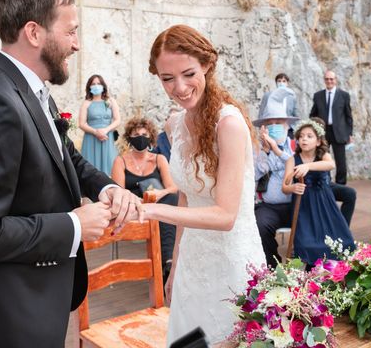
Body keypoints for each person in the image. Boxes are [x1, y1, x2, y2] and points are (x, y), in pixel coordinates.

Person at [0, 0, 139, 348]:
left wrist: (108, 187)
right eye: (70, 31)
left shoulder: (30, 89)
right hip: (6, 321)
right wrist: (73, 225)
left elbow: (66, 156)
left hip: (38, 305)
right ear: (34, 33)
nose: (77, 44)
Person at [142, 24, 265, 346]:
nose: (179, 87)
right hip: (192, 260)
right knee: (187, 341)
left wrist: (152, 210)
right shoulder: (174, 124)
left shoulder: (229, 124)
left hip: (231, 260)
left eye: (188, 73)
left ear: (207, 66)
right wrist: (177, 263)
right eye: (167, 79)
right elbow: (187, 197)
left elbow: (225, 216)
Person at [111, 116, 179, 281]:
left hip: (159, 202)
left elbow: (172, 187)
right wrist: (142, 200)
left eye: (144, 134)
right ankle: (167, 262)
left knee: (170, 198)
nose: (140, 137)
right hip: (135, 206)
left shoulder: (158, 159)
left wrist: (158, 193)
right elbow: (118, 191)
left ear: (150, 137)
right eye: (136, 134)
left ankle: (167, 262)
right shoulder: (121, 161)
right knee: (165, 209)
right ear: (129, 137)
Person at [282, 118, 355, 265]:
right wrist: (293, 188)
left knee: (340, 241)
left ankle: (337, 272)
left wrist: (308, 166)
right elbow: (284, 187)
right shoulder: (292, 160)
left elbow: (330, 165)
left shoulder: (323, 156)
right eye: (301, 136)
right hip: (304, 204)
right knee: (307, 244)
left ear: (318, 141)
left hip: (324, 201)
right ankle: (310, 270)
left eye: (309, 136)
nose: (304, 139)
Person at [252, 88, 298, 268]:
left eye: (279, 122)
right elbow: (254, 176)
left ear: (287, 125)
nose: (275, 126)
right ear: (263, 128)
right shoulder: (256, 150)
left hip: (295, 203)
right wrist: (265, 150)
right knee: (260, 224)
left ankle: (303, 265)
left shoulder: (296, 146)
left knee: (311, 219)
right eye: (270, 123)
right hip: (269, 206)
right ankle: (273, 266)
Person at [310, 70, 353, 185]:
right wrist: (314, 130)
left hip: (339, 132)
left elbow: (348, 116)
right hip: (323, 132)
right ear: (324, 80)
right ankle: (325, 182)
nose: (329, 81)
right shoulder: (318, 96)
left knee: (341, 162)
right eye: (327, 79)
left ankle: (340, 184)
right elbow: (312, 114)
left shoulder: (344, 95)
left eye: (331, 79)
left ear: (335, 80)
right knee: (322, 158)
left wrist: (349, 133)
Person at [79, 74, 120, 175]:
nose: (96, 85)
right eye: (93, 84)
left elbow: (117, 120)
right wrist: (95, 132)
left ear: (103, 86)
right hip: (91, 138)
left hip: (107, 137)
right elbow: (81, 123)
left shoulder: (111, 101)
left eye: (98, 83)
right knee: (90, 168)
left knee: (110, 167)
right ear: (89, 87)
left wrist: (105, 130)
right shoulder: (86, 103)